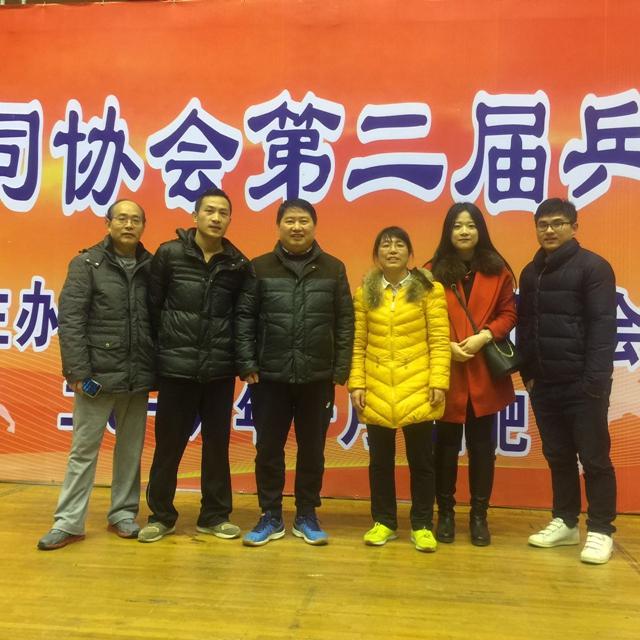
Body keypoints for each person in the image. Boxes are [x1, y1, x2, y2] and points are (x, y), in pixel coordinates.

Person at [236, 198, 354, 546]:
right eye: (290, 221)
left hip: (317, 378)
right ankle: (270, 515)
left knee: (312, 450)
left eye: (304, 221)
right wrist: (247, 362)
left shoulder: (333, 268)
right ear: (279, 226)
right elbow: (244, 318)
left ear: (314, 226)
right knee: (268, 449)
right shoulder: (259, 267)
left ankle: (306, 514)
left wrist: (340, 369)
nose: (297, 227)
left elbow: (345, 322)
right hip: (269, 378)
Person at [38, 200, 154, 550]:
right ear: (108, 224)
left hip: (137, 375)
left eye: (136, 220)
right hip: (96, 377)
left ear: (143, 226)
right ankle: (68, 521)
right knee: (84, 450)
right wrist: (78, 371)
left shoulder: (152, 266)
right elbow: (71, 319)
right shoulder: (87, 263)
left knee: (130, 450)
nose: (129, 225)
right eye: (122, 218)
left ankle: (123, 514)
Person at [138, 188, 250, 543]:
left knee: (217, 447)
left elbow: (241, 317)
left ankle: (214, 515)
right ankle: (161, 516)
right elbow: (152, 308)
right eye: (209, 211)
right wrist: (161, 354)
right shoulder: (169, 254)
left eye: (223, 213)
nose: (216, 218)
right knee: (169, 447)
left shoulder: (237, 263)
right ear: (195, 216)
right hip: (176, 368)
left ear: (229, 220)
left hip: (219, 370)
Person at [517, 198, 617, 564]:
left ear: (574, 227)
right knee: (558, 456)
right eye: (542, 224)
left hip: (583, 385)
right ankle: (566, 521)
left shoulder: (594, 268)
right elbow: (525, 325)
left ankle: (601, 529)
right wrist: (528, 374)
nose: (549, 230)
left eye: (557, 223)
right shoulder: (531, 273)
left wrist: (595, 382)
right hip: (544, 384)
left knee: (594, 459)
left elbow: (603, 328)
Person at [349, 227, 450, 552]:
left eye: (399, 245)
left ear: (410, 253)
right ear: (376, 254)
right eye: (385, 245)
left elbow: (439, 341)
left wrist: (438, 381)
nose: (392, 250)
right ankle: (384, 522)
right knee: (380, 462)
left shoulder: (429, 290)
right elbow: (357, 343)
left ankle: (422, 524)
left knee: (422, 462)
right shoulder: (365, 293)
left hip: (418, 386)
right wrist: (357, 383)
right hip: (376, 387)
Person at [428, 203, 517, 546]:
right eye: (457, 226)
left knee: (482, 449)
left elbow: (509, 313)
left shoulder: (499, 270)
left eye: (470, 225)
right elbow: (421, 317)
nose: (464, 231)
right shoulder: (431, 272)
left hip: (484, 372)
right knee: (445, 448)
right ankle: (446, 514)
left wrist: (485, 335)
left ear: (480, 230)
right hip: (446, 371)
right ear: (447, 232)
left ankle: (479, 516)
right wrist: (445, 345)